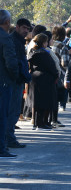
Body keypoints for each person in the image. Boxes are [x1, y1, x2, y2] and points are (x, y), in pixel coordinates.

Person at [7, 19, 31, 149]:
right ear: (17, 27)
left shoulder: (18, 41)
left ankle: (9, 138)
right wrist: (19, 76)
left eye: (28, 28)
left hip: (17, 80)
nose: (26, 31)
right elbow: (14, 63)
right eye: (24, 28)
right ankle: (9, 139)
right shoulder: (14, 41)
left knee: (14, 111)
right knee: (12, 111)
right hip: (14, 81)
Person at [28, 33, 59, 130]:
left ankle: (38, 122)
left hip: (35, 78)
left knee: (37, 102)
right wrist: (56, 74)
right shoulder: (44, 53)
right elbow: (51, 66)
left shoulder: (32, 52)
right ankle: (41, 123)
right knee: (45, 101)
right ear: (43, 42)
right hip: (45, 78)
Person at [0, 10, 19, 158]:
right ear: (7, 22)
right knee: (2, 115)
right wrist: (14, 76)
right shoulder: (5, 38)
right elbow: (11, 62)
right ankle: (1, 148)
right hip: (4, 82)